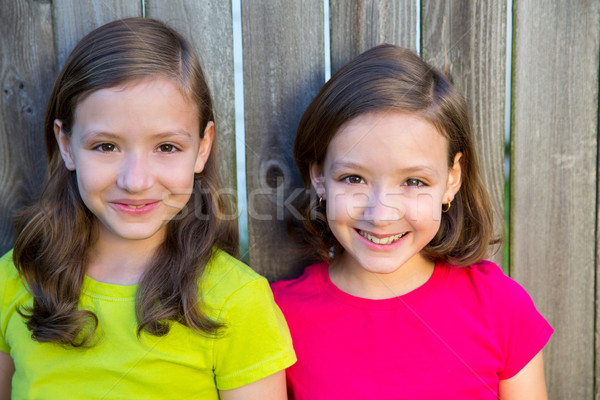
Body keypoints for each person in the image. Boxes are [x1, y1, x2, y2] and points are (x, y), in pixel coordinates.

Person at [0, 18, 295, 400]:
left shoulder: (236, 301)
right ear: (67, 144)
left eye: (166, 147)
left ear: (202, 147)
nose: (135, 181)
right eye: (106, 146)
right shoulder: (14, 281)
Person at [272, 44, 553, 399]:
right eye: (354, 179)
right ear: (318, 177)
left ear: (452, 179)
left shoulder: (501, 309)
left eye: (413, 182)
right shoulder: (277, 318)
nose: (381, 214)